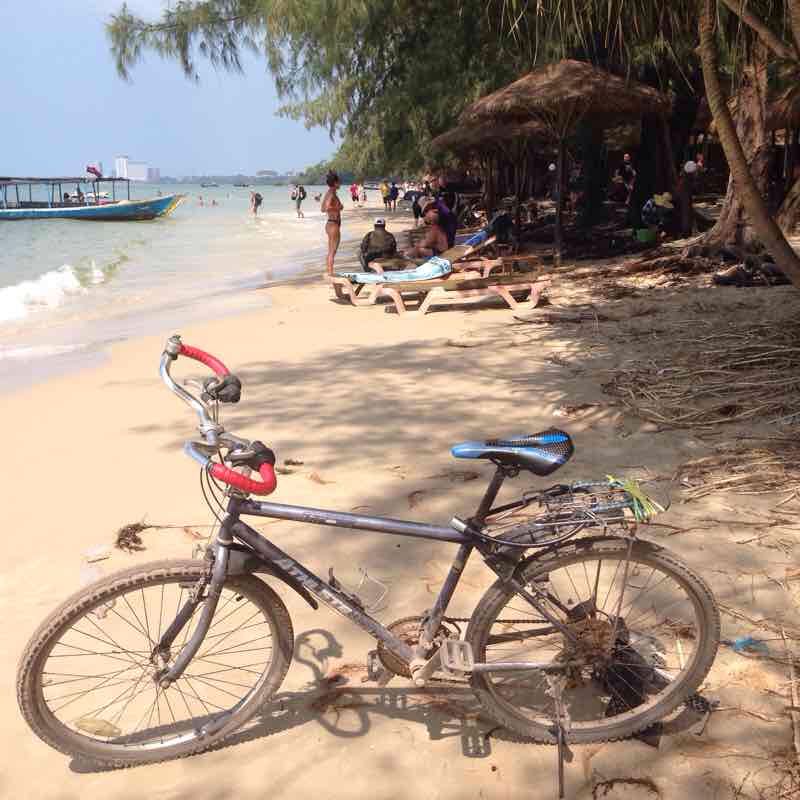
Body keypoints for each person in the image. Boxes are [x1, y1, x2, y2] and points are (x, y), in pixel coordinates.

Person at [321, 171, 343, 276]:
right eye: (339, 182)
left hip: (330, 224)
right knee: (332, 252)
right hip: (333, 225)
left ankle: (329, 272)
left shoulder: (330, 193)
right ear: (335, 183)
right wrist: (338, 207)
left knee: (331, 252)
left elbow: (322, 208)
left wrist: (336, 207)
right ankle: (330, 274)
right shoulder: (331, 193)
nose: (340, 183)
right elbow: (325, 208)